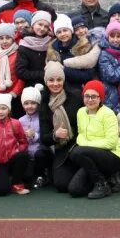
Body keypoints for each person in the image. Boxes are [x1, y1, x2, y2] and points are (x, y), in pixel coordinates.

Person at [69, 80, 120, 199]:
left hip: (112, 156)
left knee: (77, 152)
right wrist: (86, 147)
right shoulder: (80, 112)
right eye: (87, 96)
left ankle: (102, 184)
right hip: (91, 157)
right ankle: (107, 179)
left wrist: (87, 146)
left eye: (94, 96)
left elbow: (111, 142)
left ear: (101, 98)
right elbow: (80, 136)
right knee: (74, 190)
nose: (90, 100)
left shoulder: (108, 114)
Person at [42, 61, 85, 194]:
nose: (55, 84)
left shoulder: (76, 96)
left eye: (59, 79)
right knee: (61, 185)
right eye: (51, 80)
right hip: (62, 148)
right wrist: (55, 135)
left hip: (80, 145)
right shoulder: (44, 104)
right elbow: (44, 138)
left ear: (64, 80)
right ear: (46, 82)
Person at [47, 13, 100, 96]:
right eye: (59, 32)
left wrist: (64, 70)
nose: (63, 34)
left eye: (65, 30)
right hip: (58, 91)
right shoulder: (52, 49)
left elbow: (89, 74)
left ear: (71, 31)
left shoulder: (83, 46)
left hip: (78, 90)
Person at [19, 84, 52, 189]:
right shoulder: (20, 120)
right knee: (27, 176)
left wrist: (34, 135)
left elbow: (44, 137)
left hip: (40, 151)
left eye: (33, 103)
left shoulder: (42, 118)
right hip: (28, 153)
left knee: (40, 155)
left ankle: (41, 175)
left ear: (38, 104)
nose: (30, 106)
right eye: (26, 103)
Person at [0, 22, 23, 116]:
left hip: (14, 96)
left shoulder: (19, 53)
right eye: (1, 38)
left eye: (8, 38)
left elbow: (21, 76)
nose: (5, 41)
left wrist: (14, 92)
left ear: (13, 37)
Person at [98, 20, 120, 112]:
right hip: (110, 98)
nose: (115, 40)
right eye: (112, 36)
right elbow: (111, 76)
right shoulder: (104, 54)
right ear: (107, 36)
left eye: (118, 36)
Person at [16, 11, 55, 88]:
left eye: (46, 26)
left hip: (51, 85)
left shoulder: (51, 43)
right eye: (40, 24)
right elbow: (21, 72)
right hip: (31, 87)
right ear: (33, 24)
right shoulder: (24, 45)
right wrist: (43, 74)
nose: (42, 28)